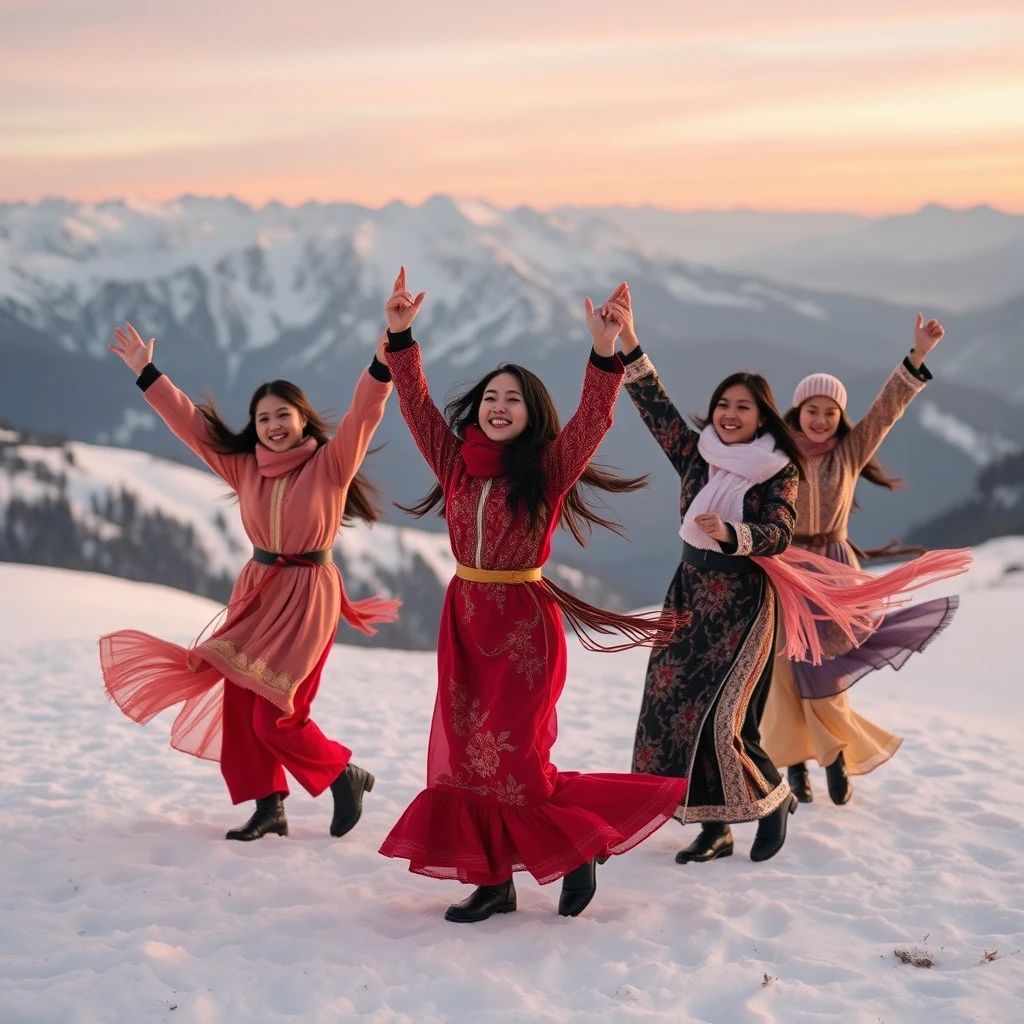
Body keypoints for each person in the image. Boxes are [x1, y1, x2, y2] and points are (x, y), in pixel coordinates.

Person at [376, 269, 688, 923]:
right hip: (463, 620)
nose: (498, 405)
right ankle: (493, 884)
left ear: (531, 413)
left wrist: (605, 350)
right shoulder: (455, 460)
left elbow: (593, 421)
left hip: (523, 627)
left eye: (513, 399)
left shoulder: (546, 469)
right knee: (467, 756)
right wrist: (401, 337)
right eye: (492, 395)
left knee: (517, 758)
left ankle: (576, 851)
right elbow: (416, 407)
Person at [99, 322, 400, 842]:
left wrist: (383, 361)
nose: (273, 425)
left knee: (276, 714)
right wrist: (147, 373)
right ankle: (268, 807)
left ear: (303, 419)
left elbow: (364, 414)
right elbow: (190, 425)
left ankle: (342, 775)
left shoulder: (331, 464)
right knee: (240, 708)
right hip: (258, 591)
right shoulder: (244, 467)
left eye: (283, 414)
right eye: (263, 418)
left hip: (308, 595)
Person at [605, 286, 806, 866]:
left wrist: (732, 536)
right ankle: (714, 826)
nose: (730, 414)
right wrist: (630, 339)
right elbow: (654, 404)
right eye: (724, 405)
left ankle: (772, 802)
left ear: (762, 415)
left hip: (743, 601)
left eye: (743, 407)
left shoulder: (777, 470)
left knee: (724, 717)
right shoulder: (699, 454)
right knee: (671, 713)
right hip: (689, 592)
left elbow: (780, 533)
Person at [760, 315, 959, 805]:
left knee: (826, 670)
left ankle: (834, 756)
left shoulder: (849, 452)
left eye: (830, 411)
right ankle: (797, 765)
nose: (821, 419)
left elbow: (887, 409)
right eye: (813, 409)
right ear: (798, 410)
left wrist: (918, 355)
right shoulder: (776, 454)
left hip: (834, 571)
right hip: (786, 569)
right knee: (785, 669)